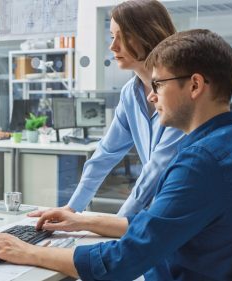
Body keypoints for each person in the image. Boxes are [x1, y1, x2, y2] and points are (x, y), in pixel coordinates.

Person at [0, 29, 232, 281]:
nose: (151, 95)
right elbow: (160, 224)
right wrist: (84, 221)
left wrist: (27, 251)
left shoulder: (200, 163)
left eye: (158, 84)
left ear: (195, 85)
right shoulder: (222, 142)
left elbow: (123, 260)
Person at [29, 0, 185, 218]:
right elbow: (105, 154)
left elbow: (157, 169)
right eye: (112, 37)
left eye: (123, 36)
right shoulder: (131, 94)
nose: (113, 46)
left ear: (148, 34)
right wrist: (73, 208)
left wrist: (114, 224)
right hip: (156, 212)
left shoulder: (180, 91)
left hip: (185, 209)